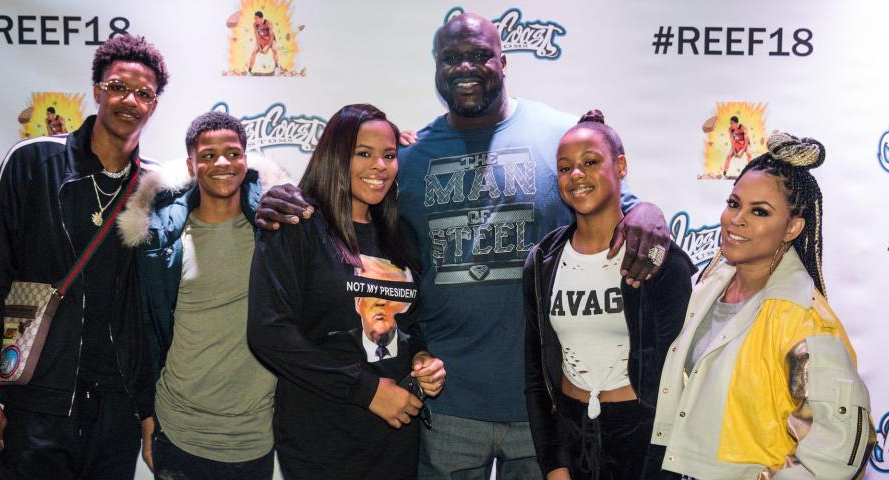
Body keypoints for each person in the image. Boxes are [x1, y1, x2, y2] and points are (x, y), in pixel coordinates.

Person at [254, 13, 671, 479]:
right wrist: (277, 195)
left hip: (540, 404)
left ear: (504, 61)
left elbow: (622, 207)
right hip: (443, 404)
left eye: (478, 55)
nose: (464, 67)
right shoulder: (408, 159)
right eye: (450, 58)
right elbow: (346, 204)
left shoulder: (557, 135)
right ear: (436, 68)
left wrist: (649, 211)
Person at [0, 34, 168, 479]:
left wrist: (148, 410)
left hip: (117, 408)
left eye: (144, 93)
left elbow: (157, 312)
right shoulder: (32, 162)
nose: (130, 100)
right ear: (96, 91)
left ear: (155, 104)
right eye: (118, 86)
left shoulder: (157, 189)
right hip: (35, 402)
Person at [652, 133, 875, 479]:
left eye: (759, 211)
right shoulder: (709, 285)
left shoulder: (804, 319)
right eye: (733, 203)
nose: (735, 219)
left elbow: (843, 446)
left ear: (793, 228)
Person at [247, 104, 446, 479]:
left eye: (389, 155)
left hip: (396, 436)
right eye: (364, 154)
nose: (380, 166)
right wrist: (365, 389)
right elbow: (268, 332)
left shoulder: (399, 233)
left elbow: (410, 323)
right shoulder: (296, 223)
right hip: (321, 438)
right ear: (336, 156)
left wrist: (421, 357)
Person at [523, 110, 695, 480]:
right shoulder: (543, 261)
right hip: (571, 434)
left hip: (640, 437)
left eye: (590, 162)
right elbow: (537, 376)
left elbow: (678, 377)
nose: (577, 175)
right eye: (565, 168)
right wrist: (554, 463)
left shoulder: (660, 259)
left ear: (620, 166)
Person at [117, 111, 276, 479]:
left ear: (246, 159)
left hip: (254, 438)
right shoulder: (162, 243)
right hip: (180, 432)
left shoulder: (274, 233)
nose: (222, 163)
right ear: (191, 165)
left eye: (233, 153)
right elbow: (146, 332)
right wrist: (147, 416)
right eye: (207, 155)